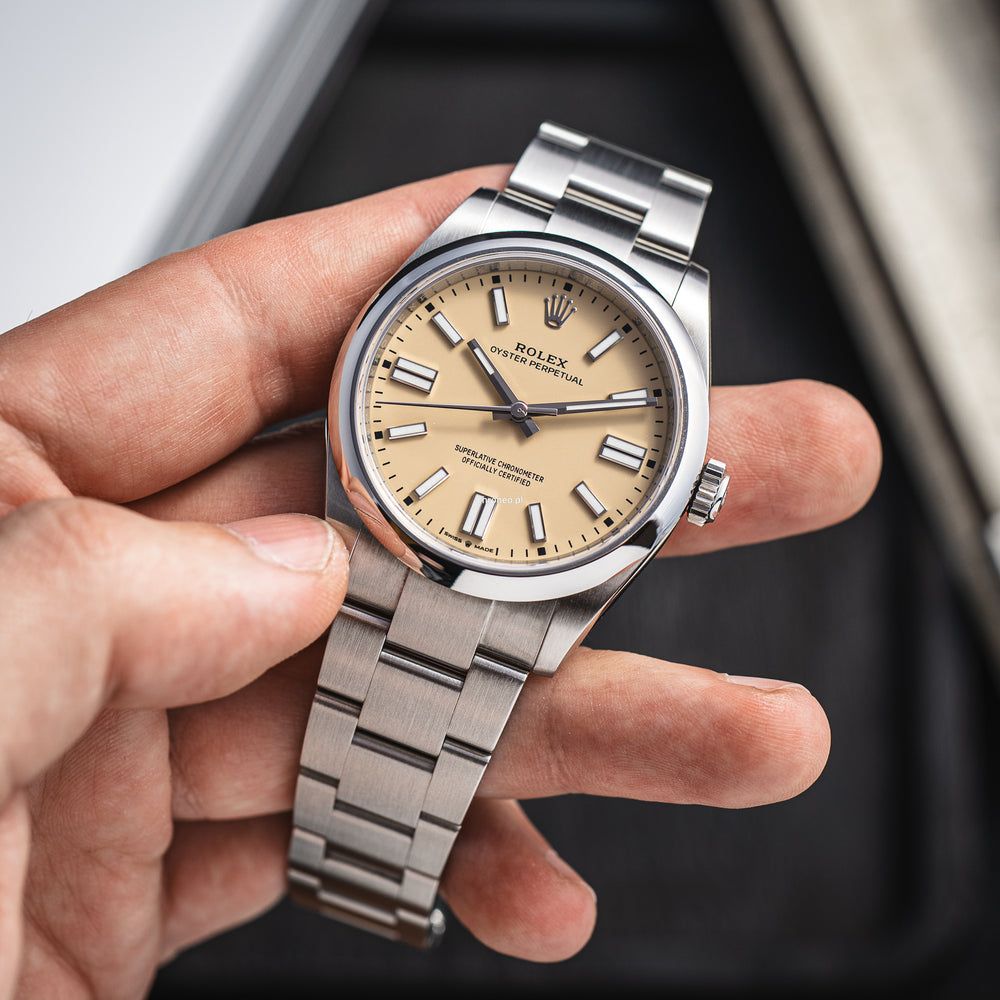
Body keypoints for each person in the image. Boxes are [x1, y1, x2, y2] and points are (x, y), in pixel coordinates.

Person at [0, 167, 881, 996]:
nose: (518, 417)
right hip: (381, 518)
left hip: (508, 570)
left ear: (690, 487)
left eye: (529, 416)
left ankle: (348, 868)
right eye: (510, 404)